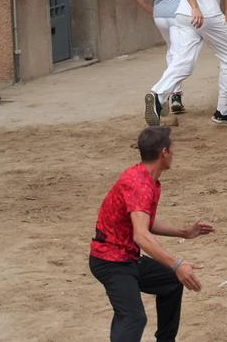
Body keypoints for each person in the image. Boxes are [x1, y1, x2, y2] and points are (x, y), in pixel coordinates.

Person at [89, 127, 214, 342]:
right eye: (173, 148)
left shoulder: (146, 178)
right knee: (133, 318)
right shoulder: (140, 185)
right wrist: (176, 263)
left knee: (172, 282)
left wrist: (183, 232)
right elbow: (141, 235)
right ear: (164, 152)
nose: (175, 152)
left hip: (126, 257)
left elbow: (143, 221)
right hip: (110, 261)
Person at [132, 0, 193, 119]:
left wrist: (152, 11)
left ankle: (173, 96)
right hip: (180, 14)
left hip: (160, 15)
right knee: (182, 56)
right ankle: (167, 96)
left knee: (172, 52)